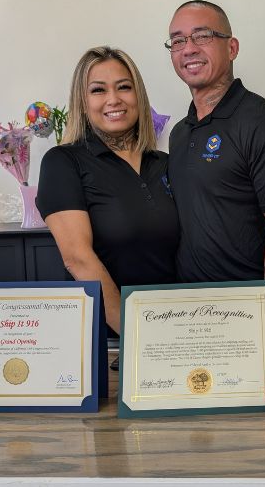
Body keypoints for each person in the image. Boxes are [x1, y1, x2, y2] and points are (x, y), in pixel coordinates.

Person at [166, 0, 265, 305]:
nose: (188, 48)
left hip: (246, 310)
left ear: (231, 48)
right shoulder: (180, 132)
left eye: (202, 36)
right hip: (187, 308)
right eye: (178, 41)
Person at [36, 46, 178, 334]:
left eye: (124, 87)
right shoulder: (63, 162)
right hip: (111, 338)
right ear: (82, 101)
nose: (114, 99)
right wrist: (136, 336)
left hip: (176, 324)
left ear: (138, 95)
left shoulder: (164, 163)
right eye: (98, 90)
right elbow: (77, 258)